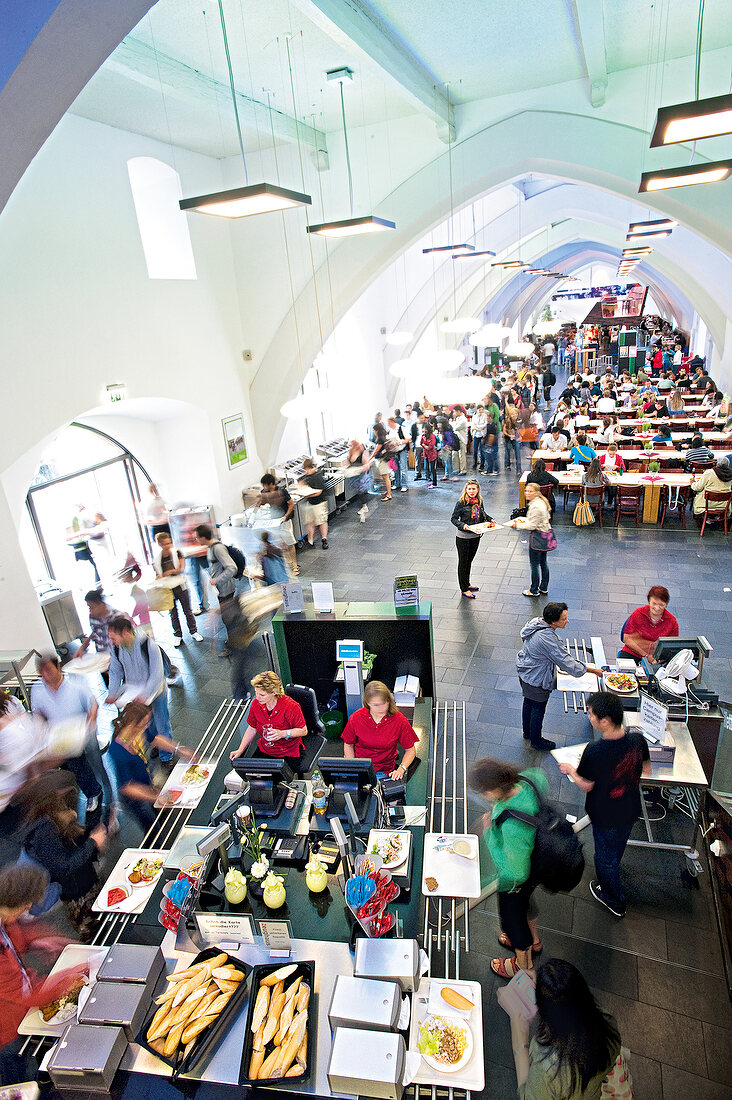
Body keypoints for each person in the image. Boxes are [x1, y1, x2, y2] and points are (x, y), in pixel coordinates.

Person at [560, 691, 651, 918]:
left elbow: (587, 785)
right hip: (629, 809)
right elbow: (647, 769)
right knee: (617, 847)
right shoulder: (638, 740)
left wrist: (571, 769)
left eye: (591, 714)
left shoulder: (595, 751)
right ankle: (613, 870)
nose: (588, 717)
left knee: (603, 858)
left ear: (605, 721)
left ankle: (614, 899)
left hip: (605, 814)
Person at [0, 864, 87, 1086]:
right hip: (7, 1031)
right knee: (22, 1073)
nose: (28, 908)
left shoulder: (4, 914)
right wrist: (69, 976)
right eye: (27, 905)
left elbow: (15, 931)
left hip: (21, 1001)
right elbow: (27, 996)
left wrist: (40, 940)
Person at [469, 758, 547, 978]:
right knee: (528, 904)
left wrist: (489, 833)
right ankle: (535, 941)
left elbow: (515, 872)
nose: (484, 797)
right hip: (537, 861)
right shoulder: (528, 779)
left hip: (517, 879)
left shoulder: (512, 824)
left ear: (494, 789)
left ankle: (523, 965)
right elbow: (542, 779)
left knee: (514, 921)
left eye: (484, 793)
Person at [508, 958, 622, 1100]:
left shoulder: (547, 1066)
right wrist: (545, 984)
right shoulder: (608, 1023)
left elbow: (528, 1097)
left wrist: (520, 1042)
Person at [21, 770, 107, 941]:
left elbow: (73, 844)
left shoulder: (53, 814)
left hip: (85, 880)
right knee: (93, 931)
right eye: (69, 791)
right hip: (76, 892)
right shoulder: (43, 831)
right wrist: (92, 843)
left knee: (102, 915)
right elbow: (62, 867)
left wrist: (93, 838)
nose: (74, 794)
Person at [516, 603, 602, 751]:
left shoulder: (537, 623)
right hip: (537, 678)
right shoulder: (547, 638)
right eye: (564, 619)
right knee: (538, 707)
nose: (567, 621)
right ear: (553, 621)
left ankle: (528, 733)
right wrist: (592, 670)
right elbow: (566, 662)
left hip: (526, 672)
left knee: (529, 703)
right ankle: (536, 741)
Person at [31, 654, 106, 820]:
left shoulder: (75, 684)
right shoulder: (37, 689)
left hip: (81, 732)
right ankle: (82, 792)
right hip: (59, 736)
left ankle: (95, 791)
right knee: (69, 766)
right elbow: (39, 714)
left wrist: (89, 723)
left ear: (58, 666)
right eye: (42, 672)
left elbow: (93, 704)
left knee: (86, 764)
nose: (46, 676)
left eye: (49, 670)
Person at [107, 702, 184, 834]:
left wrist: (178, 749)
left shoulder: (138, 731)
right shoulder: (117, 750)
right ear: (132, 725)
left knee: (159, 816)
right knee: (152, 830)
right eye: (144, 724)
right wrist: (155, 797)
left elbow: (155, 738)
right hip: (136, 800)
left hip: (148, 785)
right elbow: (127, 787)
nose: (147, 726)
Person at [106, 616, 175, 758]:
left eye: (114, 638)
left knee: (162, 723)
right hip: (135, 693)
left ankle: (167, 755)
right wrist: (112, 693)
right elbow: (115, 670)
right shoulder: (117, 649)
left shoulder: (148, 645)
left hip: (156, 691)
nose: (112, 642)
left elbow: (157, 674)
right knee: (147, 725)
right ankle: (158, 745)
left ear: (125, 632)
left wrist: (145, 694)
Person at [341, 681, 418, 780]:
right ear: (367, 703)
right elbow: (348, 744)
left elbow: (410, 750)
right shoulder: (356, 718)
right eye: (376, 705)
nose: (381, 708)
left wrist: (401, 769)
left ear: (389, 701)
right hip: (361, 767)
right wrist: (353, 766)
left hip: (384, 770)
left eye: (383, 704)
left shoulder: (399, 720)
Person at [229, 671, 306, 760]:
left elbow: (303, 731)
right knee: (250, 771)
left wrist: (282, 734)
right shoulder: (256, 703)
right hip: (265, 748)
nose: (257, 697)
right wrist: (240, 750)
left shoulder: (291, 706)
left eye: (262, 695)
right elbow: (252, 728)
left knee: (277, 773)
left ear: (274, 692)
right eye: (256, 692)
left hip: (287, 751)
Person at [153, 532, 203, 648]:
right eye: (165, 544)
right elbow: (157, 573)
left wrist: (169, 572)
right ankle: (178, 635)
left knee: (187, 611)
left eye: (169, 543)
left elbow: (180, 568)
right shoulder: (157, 559)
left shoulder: (177, 553)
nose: (168, 546)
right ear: (159, 544)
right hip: (167, 589)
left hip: (180, 586)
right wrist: (159, 577)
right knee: (173, 613)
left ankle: (193, 631)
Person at [195, 524, 238, 654]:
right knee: (228, 617)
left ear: (203, 537)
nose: (196, 540)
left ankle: (233, 645)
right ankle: (234, 642)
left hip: (225, 589)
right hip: (221, 590)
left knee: (228, 618)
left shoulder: (217, 548)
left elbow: (232, 568)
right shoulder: (211, 548)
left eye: (197, 537)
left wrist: (216, 580)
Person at [451, 480, 493, 599]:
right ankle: (463, 588)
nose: (471, 491)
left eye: (474, 489)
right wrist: (463, 525)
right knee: (463, 562)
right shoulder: (461, 502)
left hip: (475, 536)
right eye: (469, 489)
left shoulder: (479, 501)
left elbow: (483, 514)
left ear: (478, 490)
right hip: (463, 537)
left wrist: (491, 520)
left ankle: (467, 583)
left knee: (469, 561)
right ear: (466, 490)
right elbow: (453, 519)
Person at [510, 483, 553, 599]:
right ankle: (543, 587)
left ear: (537, 493)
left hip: (538, 537)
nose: (527, 493)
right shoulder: (541, 502)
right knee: (543, 562)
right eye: (526, 491)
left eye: (530, 491)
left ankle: (534, 590)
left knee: (534, 565)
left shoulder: (535, 506)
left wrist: (517, 524)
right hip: (545, 535)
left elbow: (531, 525)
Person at [619, 585, 679, 662]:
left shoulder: (672, 621)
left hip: (656, 659)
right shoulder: (638, 613)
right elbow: (627, 639)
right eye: (654, 603)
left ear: (666, 605)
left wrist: (659, 660)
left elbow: (672, 647)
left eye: (661, 605)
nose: (657, 608)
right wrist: (646, 656)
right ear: (649, 602)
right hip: (633, 653)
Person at [75, 590, 122, 683]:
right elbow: (95, 632)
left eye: (92, 607)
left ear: (101, 604)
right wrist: (82, 648)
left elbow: (125, 641)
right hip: (102, 659)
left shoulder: (117, 617)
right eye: (89, 608)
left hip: (118, 659)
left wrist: (115, 657)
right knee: (110, 686)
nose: (90, 611)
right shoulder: (93, 616)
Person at [258, 473, 299, 573]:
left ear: (271, 484)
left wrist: (285, 516)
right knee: (279, 544)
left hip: (284, 520)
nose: (264, 487)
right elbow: (261, 502)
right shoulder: (264, 492)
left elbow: (291, 504)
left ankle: (294, 565)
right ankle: (285, 564)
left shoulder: (282, 491)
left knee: (289, 542)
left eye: (265, 485)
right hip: (274, 522)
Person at [298, 458, 329, 547]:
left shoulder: (317, 476)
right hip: (310, 503)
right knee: (310, 522)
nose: (305, 471)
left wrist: (307, 495)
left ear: (309, 468)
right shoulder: (307, 476)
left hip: (319, 503)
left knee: (322, 521)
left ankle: (324, 539)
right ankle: (310, 541)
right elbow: (301, 482)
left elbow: (319, 491)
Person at [503, 398, 522, 473]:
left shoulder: (519, 421)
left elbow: (520, 430)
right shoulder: (507, 420)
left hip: (516, 438)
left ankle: (519, 469)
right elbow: (504, 430)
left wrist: (520, 436)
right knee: (507, 451)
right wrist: (509, 435)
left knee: (517, 453)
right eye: (513, 414)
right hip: (508, 438)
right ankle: (507, 465)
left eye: (516, 414)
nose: (515, 415)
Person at [451, 406, 469, 475]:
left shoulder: (463, 420)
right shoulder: (457, 418)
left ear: (458, 411)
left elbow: (455, 428)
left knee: (462, 455)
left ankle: (463, 470)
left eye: (454, 411)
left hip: (462, 439)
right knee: (455, 454)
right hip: (456, 439)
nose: (454, 413)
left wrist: (452, 423)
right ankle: (456, 469)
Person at [421, 420, 439, 487]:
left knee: (432, 469)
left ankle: (434, 483)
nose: (424, 430)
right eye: (423, 429)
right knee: (427, 468)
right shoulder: (423, 436)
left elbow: (430, 446)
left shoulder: (432, 436)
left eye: (425, 429)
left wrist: (425, 445)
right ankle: (430, 481)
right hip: (426, 454)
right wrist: (425, 446)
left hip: (432, 455)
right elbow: (421, 443)